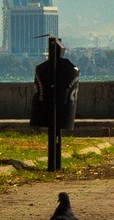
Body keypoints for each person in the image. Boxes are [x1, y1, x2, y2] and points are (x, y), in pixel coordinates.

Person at [32, 36, 79, 172]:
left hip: (57, 109)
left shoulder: (57, 68)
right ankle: (53, 164)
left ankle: (54, 164)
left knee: (55, 133)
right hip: (52, 109)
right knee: (54, 133)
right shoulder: (50, 69)